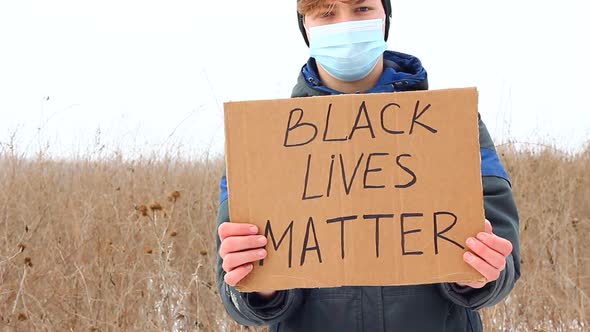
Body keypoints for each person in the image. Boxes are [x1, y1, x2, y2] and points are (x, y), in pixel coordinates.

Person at [215, 1, 520, 331]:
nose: (345, 25)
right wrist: (258, 286)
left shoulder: (453, 125)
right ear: (304, 25)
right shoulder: (262, 140)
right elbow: (235, 294)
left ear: (385, 17)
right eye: (327, 12)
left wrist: (482, 273)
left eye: (362, 8)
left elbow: (504, 256)